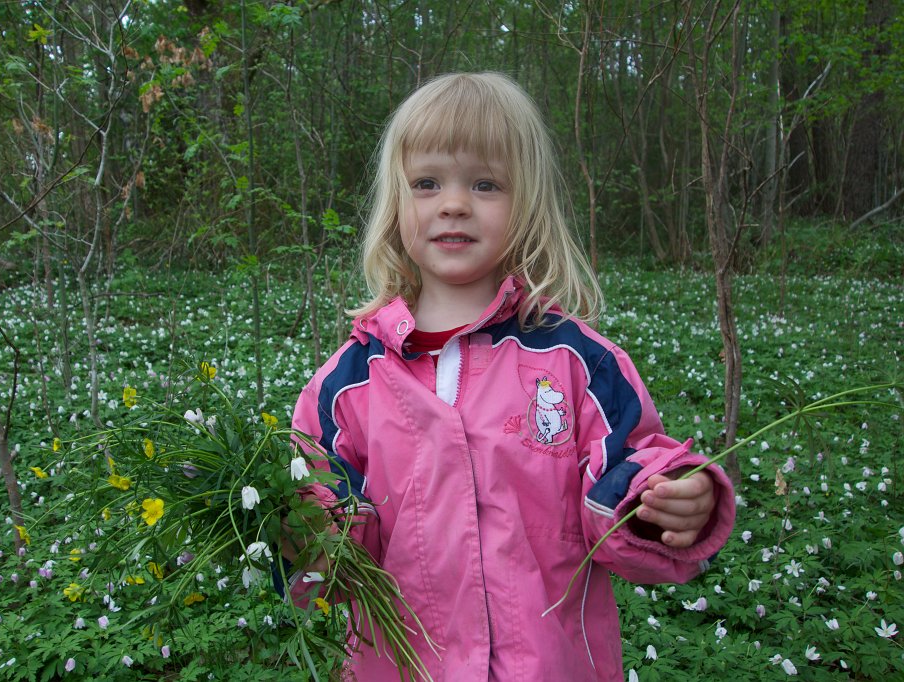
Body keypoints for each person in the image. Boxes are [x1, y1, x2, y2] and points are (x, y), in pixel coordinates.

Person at [288, 72, 736, 681]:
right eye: (426, 183)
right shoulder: (348, 384)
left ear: (527, 203)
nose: (453, 203)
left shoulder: (578, 363)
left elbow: (629, 471)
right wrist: (301, 532)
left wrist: (671, 500)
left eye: (485, 184)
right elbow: (334, 544)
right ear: (395, 204)